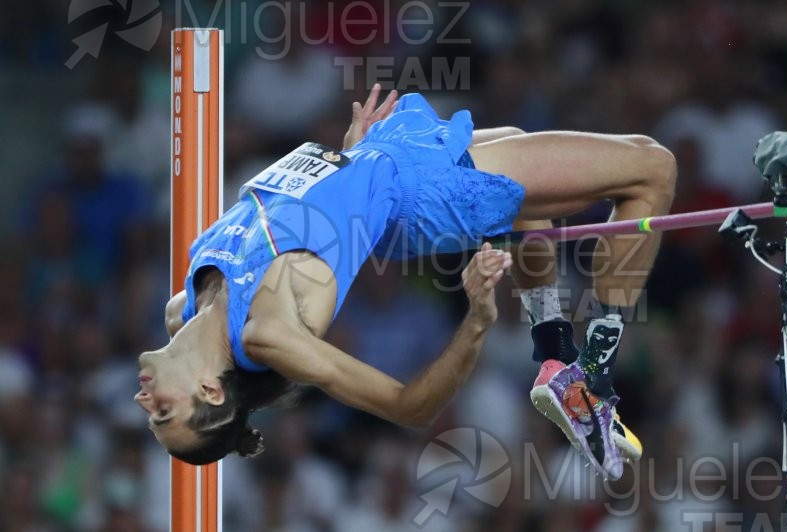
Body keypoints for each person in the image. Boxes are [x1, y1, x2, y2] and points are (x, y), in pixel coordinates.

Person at [136, 86, 675, 479]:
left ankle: (555, 352)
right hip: (425, 191)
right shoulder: (267, 333)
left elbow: (301, 215)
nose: (145, 402)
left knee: (516, 146)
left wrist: (349, 165)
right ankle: (591, 379)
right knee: (652, 168)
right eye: (165, 411)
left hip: (389, 171)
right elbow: (410, 407)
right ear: (210, 390)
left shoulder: (184, 306)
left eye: (154, 414)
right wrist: (477, 321)